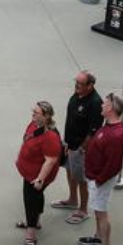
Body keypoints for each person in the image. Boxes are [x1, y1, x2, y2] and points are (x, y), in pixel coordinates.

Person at [52, 71, 103, 226]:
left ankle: (83, 210)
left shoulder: (95, 103)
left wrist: (81, 149)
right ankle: (72, 200)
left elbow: (93, 131)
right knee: (70, 171)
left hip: (81, 149)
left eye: (80, 83)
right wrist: (66, 142)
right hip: (70, 144)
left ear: (90, 86)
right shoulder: (76, 95)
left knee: (81, 179)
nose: (76, 85)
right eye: (76, 82)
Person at [80, 94, 123, 245]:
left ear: (111, 108)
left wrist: (99, 181)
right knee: (97, 210)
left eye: (105, 103)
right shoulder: (109, 126)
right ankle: (98, 237)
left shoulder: (115, 135)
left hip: (100, 180)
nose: (101, 105)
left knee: (101, 214)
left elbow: (114, 165)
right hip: (95, 177)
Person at [16, 101, 63, 245]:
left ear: (47, 116)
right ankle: (35, 221)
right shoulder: (34, 124)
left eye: (36, 113)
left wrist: (40, 179)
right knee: (36, 196)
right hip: (29, 171)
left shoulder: (50, 136)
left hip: (37, 175)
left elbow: (51, 160)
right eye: (33, 112)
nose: (33, 114)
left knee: (30, 199)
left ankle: (31, 234)